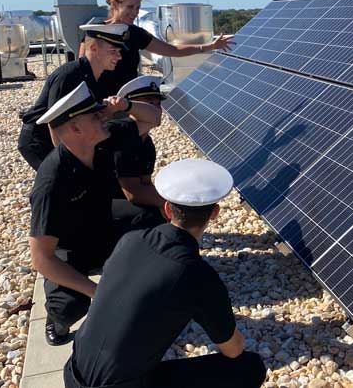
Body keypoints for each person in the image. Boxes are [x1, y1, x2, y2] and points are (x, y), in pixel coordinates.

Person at [64, 159, 267, 388]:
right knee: (249, 366)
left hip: (73, 373)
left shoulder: (130, 240)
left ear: (168, 209)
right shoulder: (197, 274)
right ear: (215, 214)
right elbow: (233, 349)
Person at [28, 81, 161, 346]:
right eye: (94, 114)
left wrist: (125, 104)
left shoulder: (103, 139)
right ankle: (58, 320)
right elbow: (41, 259)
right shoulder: (52, 182)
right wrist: (100, 293)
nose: (103, 116)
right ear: (76, 128)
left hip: (102, 227)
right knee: (71, 305)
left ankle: (135, 287)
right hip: (69, 252)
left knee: (156, 222)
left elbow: (153, 118)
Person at [79, 0, 235, 95]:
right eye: (130, 7)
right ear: (115, 5)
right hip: (97, 99)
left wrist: (210, 46)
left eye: (137, 8)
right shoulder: (95, 30)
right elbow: (81, 65)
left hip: (126, 100)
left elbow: (172, 50)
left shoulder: (136, 34)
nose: (135, 12)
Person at [18, 23, 128, 170]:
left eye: (119, 51)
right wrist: (67, 160)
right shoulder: (69, 75)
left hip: (68, 136)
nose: (119, 56)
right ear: (93, 48)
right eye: (113, 51)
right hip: (40, 139)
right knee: (61, 183)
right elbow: (55, 122)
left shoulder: (99, 75)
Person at [112, 75, 167, 210]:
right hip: (100, 202)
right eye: (149, 104)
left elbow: (146, 183)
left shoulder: (146, 142)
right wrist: (170, 205)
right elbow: (133, 193)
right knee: (151, 215)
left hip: (121, 201)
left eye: (158, 104)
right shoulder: (122, 136)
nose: (156, 110)